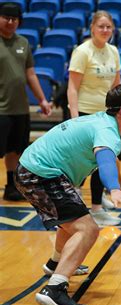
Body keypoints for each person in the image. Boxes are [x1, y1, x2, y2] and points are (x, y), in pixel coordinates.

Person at [15, 84, 121, 305]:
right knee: (88, 229)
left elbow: (112, 160)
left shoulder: (104, 121)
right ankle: (54, 289)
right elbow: (104, 161)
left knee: (72, 220)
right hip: (40, 174)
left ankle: (55, 264)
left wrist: (120, 185)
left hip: (35, 168)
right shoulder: (107, 132)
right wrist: (113, 190)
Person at [67, 10, 121, 225]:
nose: (105, 30)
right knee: (83, 163)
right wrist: (74, 119)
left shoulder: (114, 51)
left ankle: (97, 208)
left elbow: (117, 85)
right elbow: (72, 87)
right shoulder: (82, 52)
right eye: (101, 26)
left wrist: (118, 113)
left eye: (109, 27)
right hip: (84, 114)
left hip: (105, 116)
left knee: (103, 161)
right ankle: (75, 202)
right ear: (92, 28)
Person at [0, 2, 52, 201]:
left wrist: (42, 100)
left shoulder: (23, 42)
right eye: (6, 18)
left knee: (16, 149)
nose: (11, 22)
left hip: (20, 107)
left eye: (14, 19)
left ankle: (12, 186)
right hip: (0, 109)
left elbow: (30, 74)